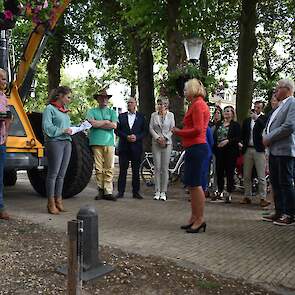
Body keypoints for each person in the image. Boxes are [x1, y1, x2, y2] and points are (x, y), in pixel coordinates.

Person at [172, 78, 210, 234]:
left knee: (196, 184)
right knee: (192, 185)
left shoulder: (199, 105)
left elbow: (198, 129)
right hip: (193, 148)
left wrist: (178, 132)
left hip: (197, 147)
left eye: (186, 89)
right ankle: (194, 217)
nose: (184, 92)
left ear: (193, 90)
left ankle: (200, 219)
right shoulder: (195, 105)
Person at [262, 79, 295, 225]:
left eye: (277, 88)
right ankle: (279, 211)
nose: (275, 91)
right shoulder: (280, 106)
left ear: (286, 89)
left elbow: (289, 126)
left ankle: (290, 214)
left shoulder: (292, 103)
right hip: (275, 150)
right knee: (275, 182)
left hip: (285, 150)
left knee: (285, 182)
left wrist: (268, 137)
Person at [42, 86, 73, 214]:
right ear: (60, 95)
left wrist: (72, 129)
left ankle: (59, 200)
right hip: (55, 142)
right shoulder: (50, 109)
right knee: (53, 174)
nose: (70, 100)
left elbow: (65, 126)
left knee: (62, 175)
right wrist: (62, 130)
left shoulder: (65, 111)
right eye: (68, 97)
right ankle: (50, 203)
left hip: (67, 142)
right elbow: (47, 127)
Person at [86, 89, 118, 201]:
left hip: (109, 142)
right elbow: (91, 123)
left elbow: (114, 126)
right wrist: (105, 122)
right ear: (98, 99)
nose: (104, 99)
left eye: (105, 98)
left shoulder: (112, 112)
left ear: (108, 100)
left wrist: (99, 123)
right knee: (99, 168)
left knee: (109, 167)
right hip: (95, 142)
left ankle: (108, 191)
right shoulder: (92, 111)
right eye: (101, 97)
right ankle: (100, 189)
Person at [116, 97, 146, 199]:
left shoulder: (141, 117)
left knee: (135, 171)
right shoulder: (121, 116)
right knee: (122, 171)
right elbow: (117, 131)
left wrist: (137, 137)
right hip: (124, 147)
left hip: (136, 147)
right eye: (128, 103)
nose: (129, 104)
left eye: (131, 102)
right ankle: (120, 192)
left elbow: (144, 131)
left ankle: (136, 192)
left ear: (135, 104)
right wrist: (126, 137)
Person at [240, 101, 269, 207]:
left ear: (262, 109)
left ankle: (263, 198)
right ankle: (247, 196)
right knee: (246, 174)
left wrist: (257, 119)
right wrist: (241, 143)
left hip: (259, 150)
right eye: (255, 107)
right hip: (248, 149)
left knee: (261, 175)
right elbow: (243, 133)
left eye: (258, 107)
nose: (256, 109)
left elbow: (265, 128)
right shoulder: (248, 120)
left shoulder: (264, 119)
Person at [212, 106, 241, 203]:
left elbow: (238, 138)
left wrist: (227, 141)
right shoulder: (219, 124)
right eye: (225, 111)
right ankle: (220, 191)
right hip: (219, 151)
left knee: (229, 172)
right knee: (219, 171)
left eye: (229, 111)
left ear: (233, 113)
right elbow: (215, 136)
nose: (226, 113)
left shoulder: (235, 125)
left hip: (230, 152)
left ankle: (229, 193)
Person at [149, 98, 175, 201]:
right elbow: (151, 128)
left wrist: (165, 138)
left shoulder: (171, 115)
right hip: (156, 143)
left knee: (164, 168)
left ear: (166, 105)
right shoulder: (153, 115)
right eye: (159, 104)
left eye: (163, 104)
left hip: (167, 143)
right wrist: (157, 138)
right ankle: (157, 191)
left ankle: (164, 191)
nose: (160, 106)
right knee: (157, 168)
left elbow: (172, 128)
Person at [0, 68, 11, 220]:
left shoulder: (4, 98)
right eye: (2, 78)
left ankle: (0, 207)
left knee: (0, 177)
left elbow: (8, 118)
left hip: (1, 142)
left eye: (4, 79)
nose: (4, 81)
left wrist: (6, 135)